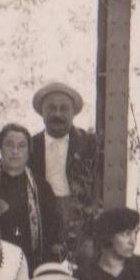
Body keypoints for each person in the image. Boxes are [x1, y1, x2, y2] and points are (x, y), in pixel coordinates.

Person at [27, 82, 99, 262]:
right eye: (51, 108)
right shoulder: (29, 145)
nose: (57, 114)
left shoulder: (90, 144)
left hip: (78, 214)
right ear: (42, 112)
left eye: (64, 109)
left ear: (73, 113)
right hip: (41, 213)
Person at [0, 123, 61, 270]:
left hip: (33, 265)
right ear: (0, 148)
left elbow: (54, 232)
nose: (15, 151)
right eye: (9, 145)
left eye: (21, 146)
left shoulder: (42, 188)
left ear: (29, 151)